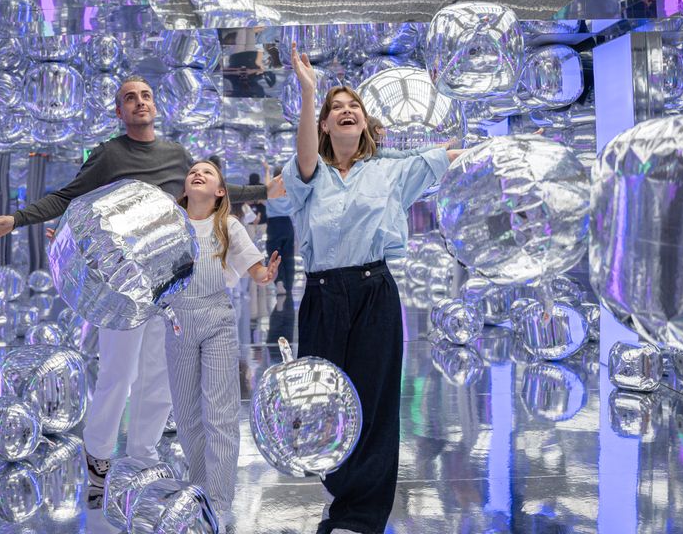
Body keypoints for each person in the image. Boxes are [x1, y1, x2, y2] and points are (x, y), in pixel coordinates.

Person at [0, 76, 283, 493]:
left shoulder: (177, 155)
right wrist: (16, 219)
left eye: (146, 96)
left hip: (170, 282)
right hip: (120, 286)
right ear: (119, 112)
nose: (140, 103)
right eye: (130, 99)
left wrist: (265, 191)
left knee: (159, 378)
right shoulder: (108, 155)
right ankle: (98, 456)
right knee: (118, 374)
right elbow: (68, 197)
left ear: (155, 106)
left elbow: (216, 190)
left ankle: (142, 456)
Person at [283, 44, 461, 534]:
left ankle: (360, 517)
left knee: (375, 402)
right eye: (335, 109)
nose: (345, 111)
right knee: (324, 401)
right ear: (323, 126)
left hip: (373, 291)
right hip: (321, 296)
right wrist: (308, 91)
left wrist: (506, 151)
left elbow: (449, 156)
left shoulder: (391, 171)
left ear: (364, 123)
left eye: (353, 107)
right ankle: (339, 494)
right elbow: (301, 160)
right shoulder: (309, 175)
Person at [165, 160, 280, 524]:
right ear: (185, 187)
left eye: (208, 172)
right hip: (177, 322)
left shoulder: (227, 225)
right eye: (193, 171)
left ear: (219, 192)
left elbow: (255, 269)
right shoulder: (168, 226)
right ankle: (200, 491)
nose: (198, 174)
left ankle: (220, 501)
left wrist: (265, 275)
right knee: (186, 416)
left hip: (217, 319)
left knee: (221, 414)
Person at [264, 164, 294, 296]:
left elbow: (265, 186)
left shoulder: (270, 190)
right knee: (288, 255)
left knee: (275, 255)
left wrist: (266, 170)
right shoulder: (290, 189)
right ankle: (289, 284)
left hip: (273, 224)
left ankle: (279, 281)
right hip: (287, 223)